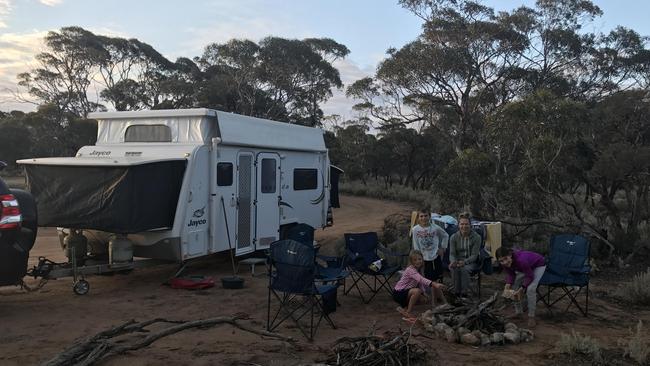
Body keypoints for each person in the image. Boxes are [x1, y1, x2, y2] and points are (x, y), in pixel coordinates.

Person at [495, 246, 546, 328]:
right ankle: (519, 312)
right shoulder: (505, 263)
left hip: (538, 265)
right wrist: (507, 285)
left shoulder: (521, 260)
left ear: (510, 255)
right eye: (501, 261)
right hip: (526, 268)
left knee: (530, 289)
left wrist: (522, 287)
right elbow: (511, 274)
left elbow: (529, 276)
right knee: (513, 287)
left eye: (506, 258)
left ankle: (531, 316)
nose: (504, 262)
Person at [393, 250, 446, 321]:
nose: (418, 261)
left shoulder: (419, 269)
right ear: (411, 261)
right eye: (415, 260)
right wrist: (435, 284)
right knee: (417, 291)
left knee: (423, 299)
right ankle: (408, 311)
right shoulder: (410, 270)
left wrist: (423, 293)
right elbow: (421, 279)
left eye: (419, 259)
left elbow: (420, 283)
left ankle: (404, 306)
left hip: (406, 292)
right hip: (398, 293)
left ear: (422, 259)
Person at [448, 212, 481, 297]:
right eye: (462, 224)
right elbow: (452, 253)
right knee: (454, 268)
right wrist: (453, 261)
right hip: (457, 260)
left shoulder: (476, 237)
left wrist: (465, 262)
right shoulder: (453, 237)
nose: (464, 226)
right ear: (458, 225)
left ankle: (464, 293)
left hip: (471, 262)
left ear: (470, 225)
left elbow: (474, 255)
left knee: (463, 269)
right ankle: (456, 292)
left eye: (466, 224)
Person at [410, 209, 449, 282]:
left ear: (429, 217)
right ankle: (429, 291)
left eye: (426, 216)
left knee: (438, 275)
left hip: (435, 255)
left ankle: (439, 290)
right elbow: (415, 244)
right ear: (418, 218)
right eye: (421, 216)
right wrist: (418, 256)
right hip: (423, 257)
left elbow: (445, 235)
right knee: (427, 277)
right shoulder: (415, 229)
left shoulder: (435, 227)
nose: (424, 218)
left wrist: (443, 248)